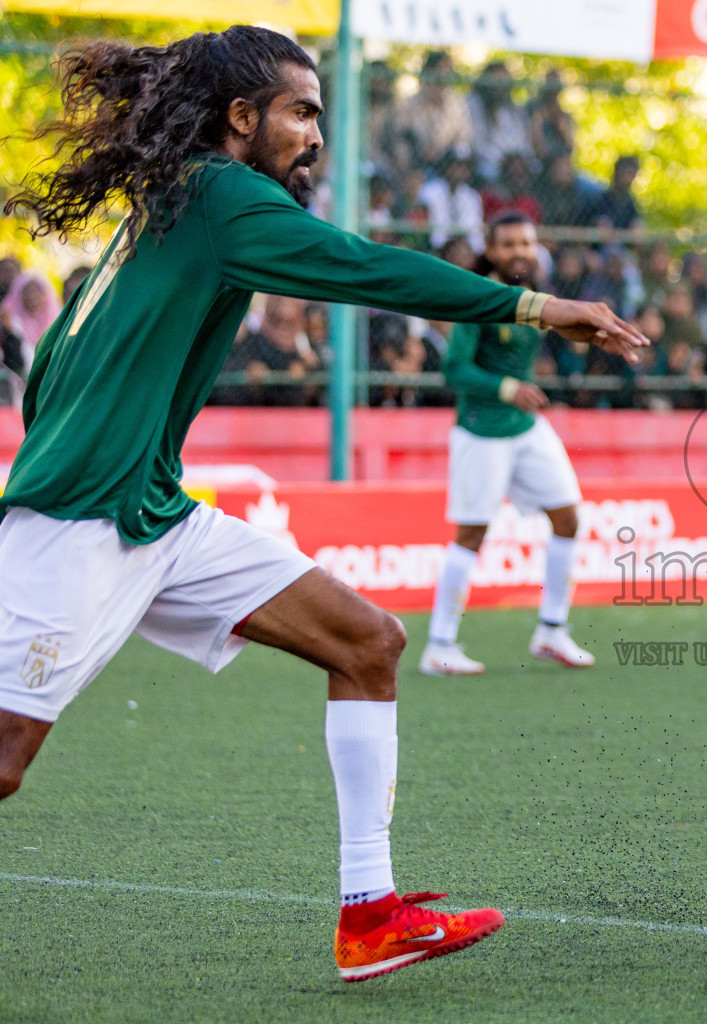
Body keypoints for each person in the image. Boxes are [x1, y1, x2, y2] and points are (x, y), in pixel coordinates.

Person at [0, 26, 645, 983]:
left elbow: (51, 365)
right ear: (242, 118)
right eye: (301, 113)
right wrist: (537, 306)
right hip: (81, 518)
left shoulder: (172, 200)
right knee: (6, 760)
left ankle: (370, 916)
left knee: (368, 641)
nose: (314, 134)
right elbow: (363, 267)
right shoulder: (223, 195)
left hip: (151, 510)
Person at [422, 212, 595, 674]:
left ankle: (552, 631)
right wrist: (507, 389)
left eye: (526, 242)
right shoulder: (478, 298)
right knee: (472, 534)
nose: (520, 251)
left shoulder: (532, 298)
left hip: (525, 426)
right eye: (509, 244)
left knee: (568, 516)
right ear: (492, 250)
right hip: (481, 430)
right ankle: (439, 646)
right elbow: (453, 369)